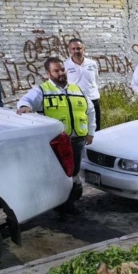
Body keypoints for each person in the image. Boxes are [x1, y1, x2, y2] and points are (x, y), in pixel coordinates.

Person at [17, 57, 95, 217]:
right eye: (56, 70)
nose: (60, 73)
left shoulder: (76, 89)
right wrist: (25, 107)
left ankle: (70, 203)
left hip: (77, 140)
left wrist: (90, 132)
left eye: (62, 69)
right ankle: (60, 207)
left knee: (73, 173)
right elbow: (26, 101)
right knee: (59, 175)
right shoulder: (42, 90)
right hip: (56, 143)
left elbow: (90, 110)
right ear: (48, 73)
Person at [64, 38, 101, 133]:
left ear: (83, 49)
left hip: (93, 99)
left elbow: (96, 80)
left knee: (96, 128)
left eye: (79, 48)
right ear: (70, 50)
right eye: (73, 49)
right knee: (80, 129)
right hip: (76, 102)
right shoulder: (65, 65)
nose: (76, 51)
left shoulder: (92, 64)